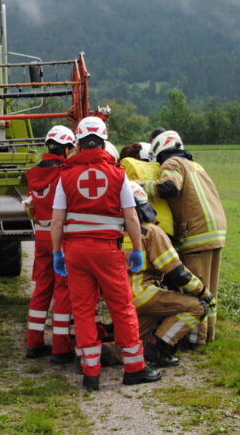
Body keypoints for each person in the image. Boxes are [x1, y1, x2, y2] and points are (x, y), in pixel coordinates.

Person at [50, 116, 161, 391]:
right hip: (108, 251)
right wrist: (136, 249)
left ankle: (90, 374)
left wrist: (56, 254)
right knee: (121, 307)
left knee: (83, 309)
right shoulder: (118, 174)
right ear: (104, 140)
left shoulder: (65, 175)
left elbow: (56, 221)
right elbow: (131, 218)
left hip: (75, 251)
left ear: (77, 141)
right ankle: (134, 369)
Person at [102, 182, 215, 367]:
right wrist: (203, 292)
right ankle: (160, 348)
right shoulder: (151, 232)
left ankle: (98, 354)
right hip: (143, 295)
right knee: (198, 308)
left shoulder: (109, 233)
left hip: (118, 298)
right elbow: (176, 271)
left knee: (134, 347)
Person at [143, 130, 227, 345]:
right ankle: (208, 335)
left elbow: (170, 187)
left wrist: (141, 187)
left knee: (196, 287)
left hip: (196, 232)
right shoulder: (196, 165)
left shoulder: (172, 163)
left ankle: (194, 339)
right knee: (210, 288)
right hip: (216, 229)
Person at [22, 125, 76, 362]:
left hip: (41, 235)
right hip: (60, 237)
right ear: (65, 148)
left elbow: (31, 208)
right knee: (63, 289)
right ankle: (61, 346)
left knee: (42, 288)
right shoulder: (65, 171)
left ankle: (33, 342)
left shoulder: (32, 174)